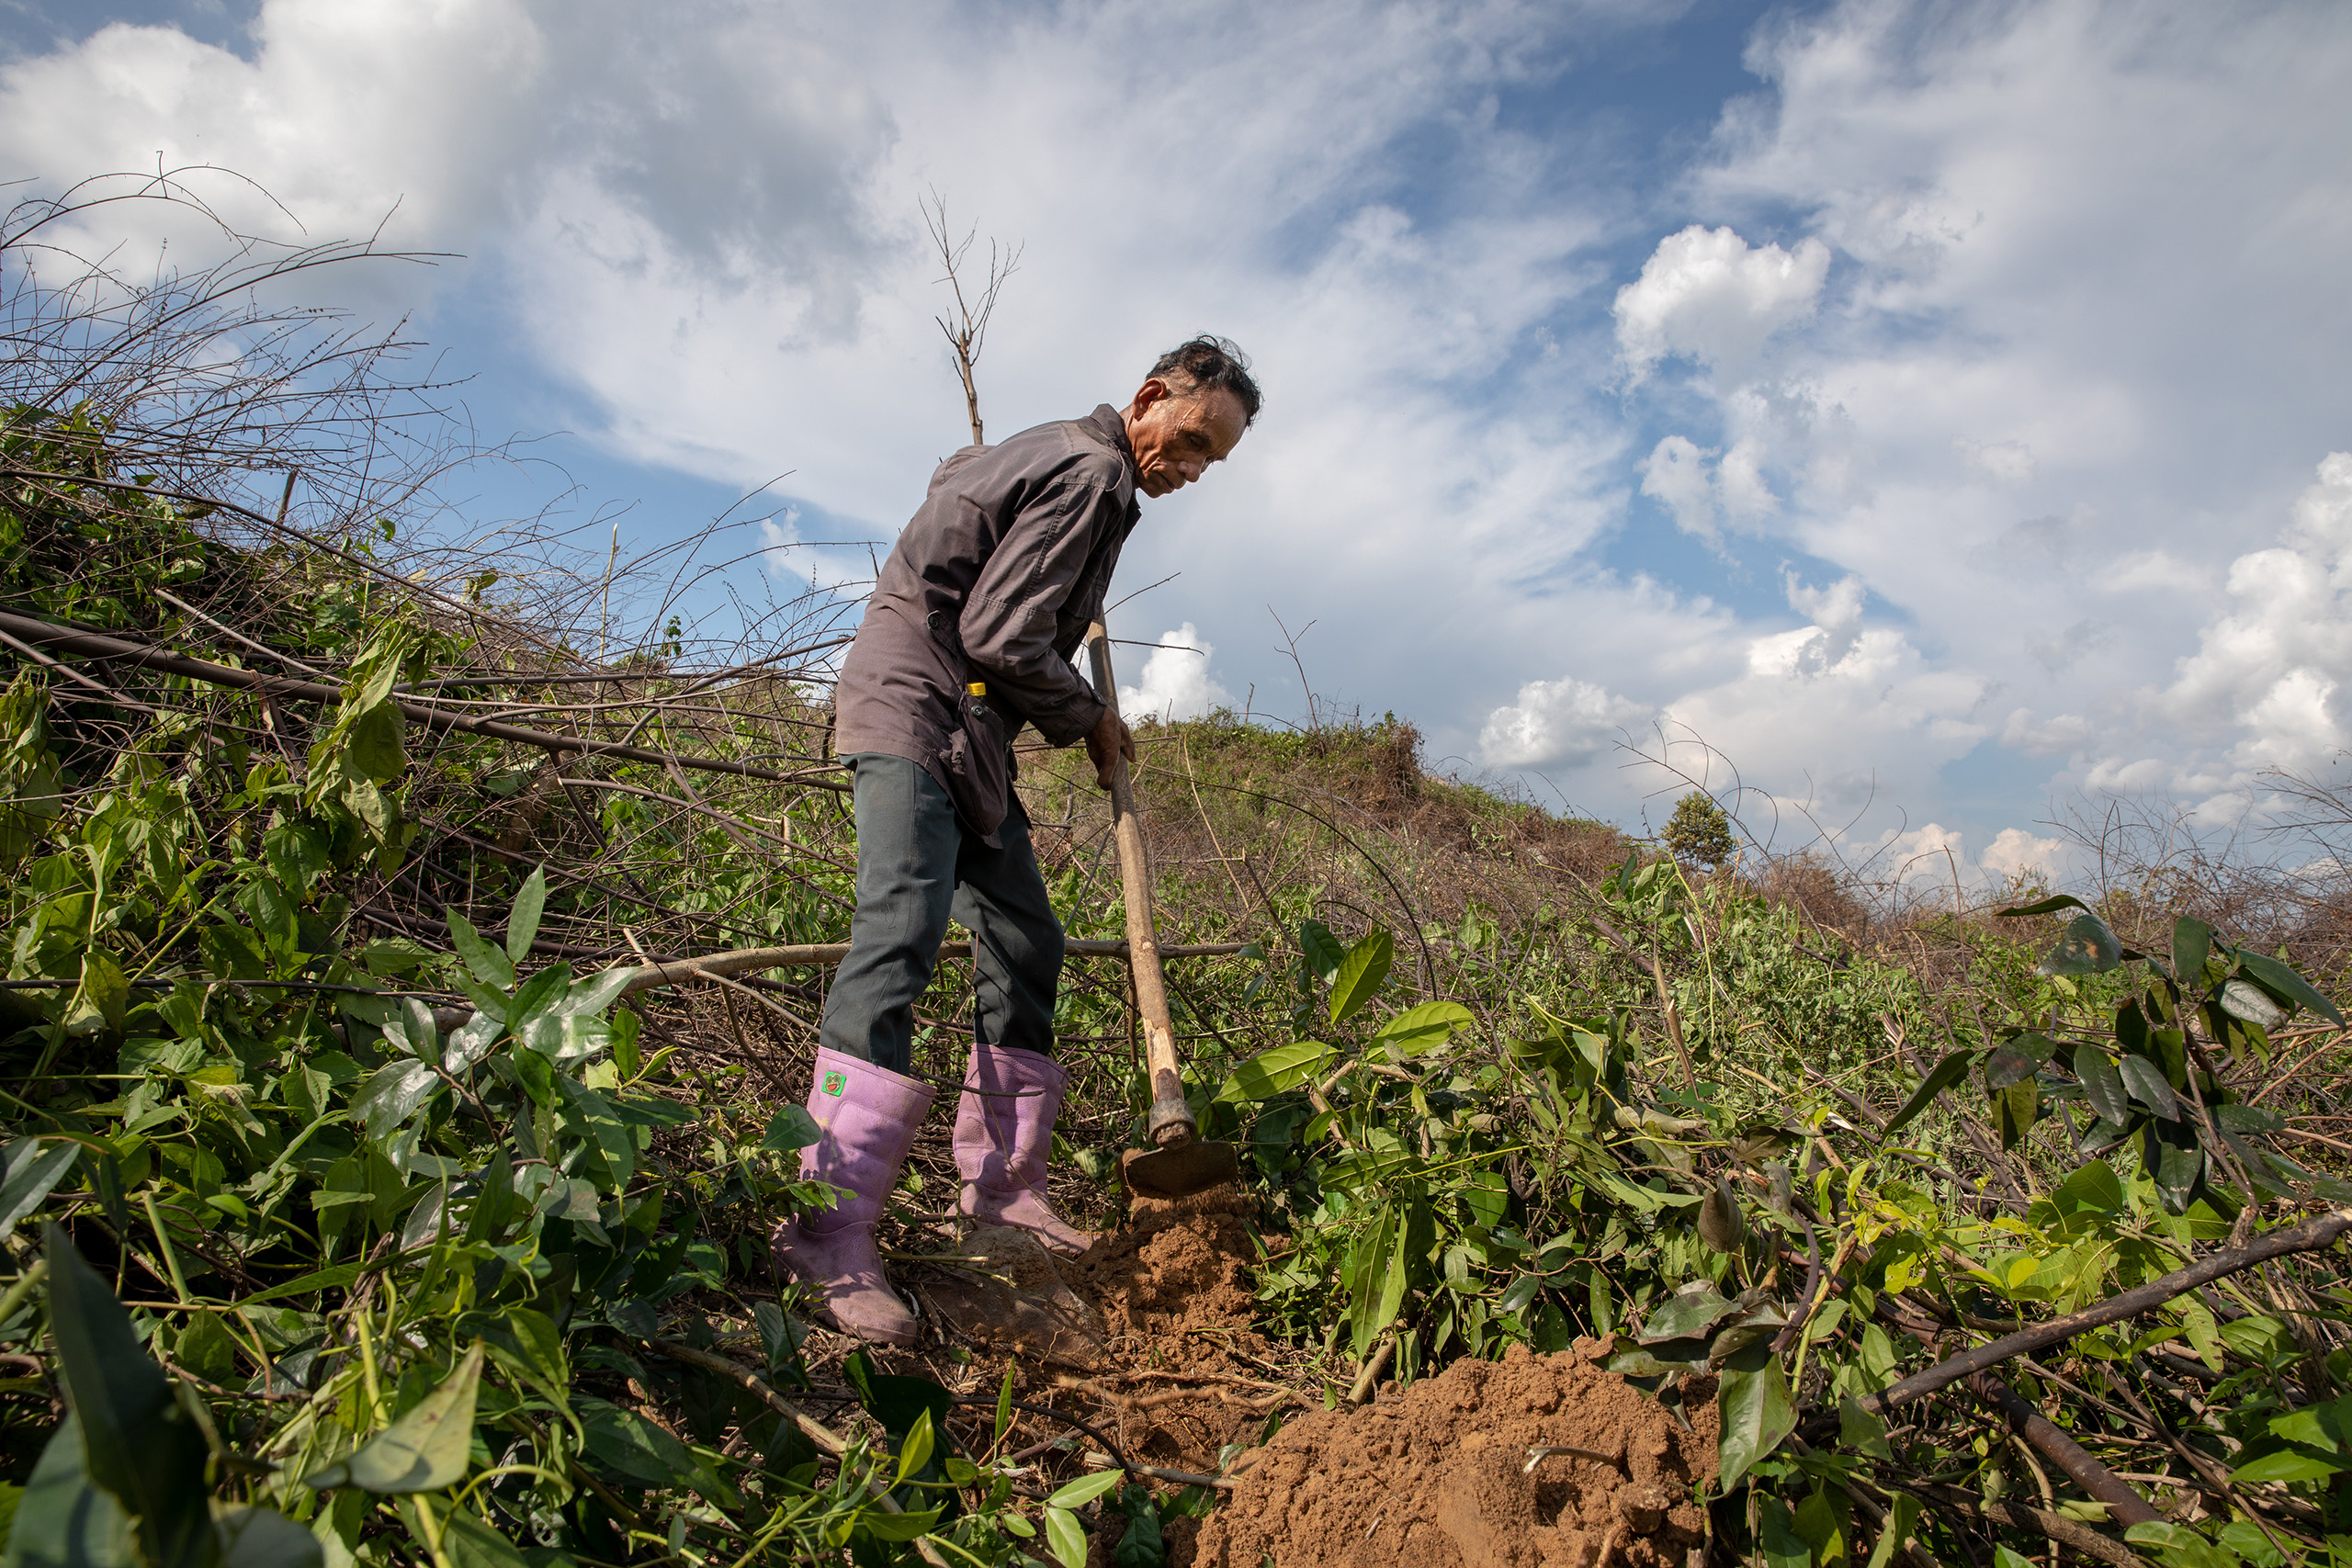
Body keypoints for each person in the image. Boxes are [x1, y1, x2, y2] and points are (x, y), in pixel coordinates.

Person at [773, 336, 1261, 1344]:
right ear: (1149, 398)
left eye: (1212, 460)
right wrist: (1087, 716)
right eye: (1192, 440)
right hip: (917, 706)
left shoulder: (1054, 457)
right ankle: (825, 1231)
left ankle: (1001, 1193)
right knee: (902, 930)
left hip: (972, 726)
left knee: (1027, 936)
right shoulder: (1091, 470)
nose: (1191, 468)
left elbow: (954, 496)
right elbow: (1001, 631)